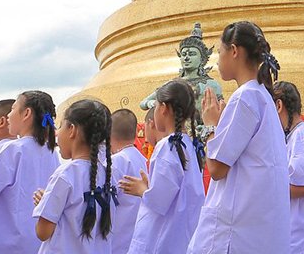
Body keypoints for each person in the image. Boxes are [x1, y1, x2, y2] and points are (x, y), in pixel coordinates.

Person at [188, 20, 288, 254]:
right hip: (254, 230)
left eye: (220, 51)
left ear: (234, 51)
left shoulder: (245, 97)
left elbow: (216, 169)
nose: (217, 60)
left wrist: (211, 125)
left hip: (235, 232)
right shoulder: (261, 96)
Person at [121, 79, 206, 254]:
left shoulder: (167, 146)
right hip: (182, 238)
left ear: (164, 108)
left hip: (165, 241)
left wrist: (142, 189)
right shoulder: (188, 145)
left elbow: (159, 201)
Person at [0, 91, 60, 254]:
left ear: (26, 113)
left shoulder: (13, 149)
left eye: (13, 109)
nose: (8, 115)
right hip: (35, 241)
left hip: (2, 243)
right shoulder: (52, 153)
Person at [34, 99, 116, 254]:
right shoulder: (108, 175)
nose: (57, 133)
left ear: (71, 129)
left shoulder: (65, 174)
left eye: (60, 126)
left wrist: (44, 204)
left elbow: (42, 232)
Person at [273, 81, 304, 254]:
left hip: (300, 240)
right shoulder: (291, 137)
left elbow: (303, 186)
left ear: (279, 106)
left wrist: (264, 188)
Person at [108, 108, 148, 254]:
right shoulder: (142, 159)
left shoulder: (116, 162)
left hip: (117, 241)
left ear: (109, 133)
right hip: (137, 237)